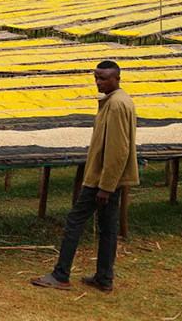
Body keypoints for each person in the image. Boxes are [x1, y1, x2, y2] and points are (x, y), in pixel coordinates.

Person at [32, 60, 139, 293]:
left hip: (103, 180)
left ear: (117, 79)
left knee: (74, 221)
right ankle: (104, 278)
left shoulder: (117, 105)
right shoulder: (115, 101)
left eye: (104, 78)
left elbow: (118, 150)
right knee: (108, 228)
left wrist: (106, 187)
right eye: (96, 78)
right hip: (110, 178)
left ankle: (61, 275)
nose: (98, 82)